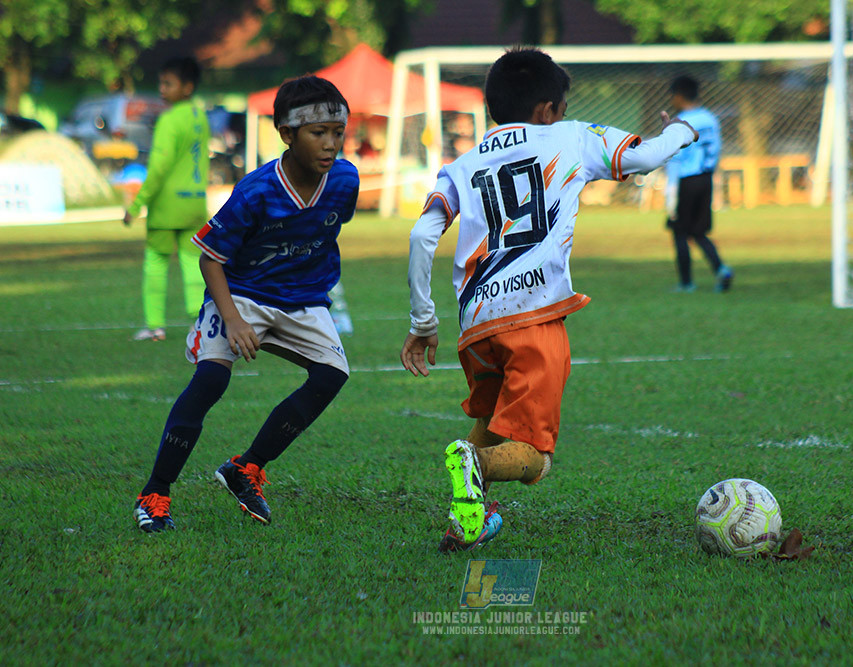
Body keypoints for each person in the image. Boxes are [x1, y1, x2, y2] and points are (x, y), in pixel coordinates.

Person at [399, 47, 697, 551]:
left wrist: (422, 320)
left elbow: (421, 237)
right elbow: (644, 157)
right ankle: (475, 467)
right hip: (533, 315)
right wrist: (683, 131)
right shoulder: (571, 136)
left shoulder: (461, 165)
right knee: (534, 455)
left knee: (490, 423)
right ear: (548, 111)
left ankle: (464, 521)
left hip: (476, 323)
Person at [132, 75, 359, 532]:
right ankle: (155, 493)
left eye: (338, 132)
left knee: (332, 375)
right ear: (286, 134)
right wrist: (233, 320)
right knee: (211, 380)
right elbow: (210, 258)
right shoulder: (256, 192)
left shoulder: (346, 180)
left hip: (302, 298)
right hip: (240, 294)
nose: (331, 144)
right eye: (319, 132)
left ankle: (246, 466)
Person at [124, 56, 211, 341]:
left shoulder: (169, 119)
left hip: (167, 205)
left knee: (156, 264)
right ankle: (199, 323)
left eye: (168, 83)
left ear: (187, 87)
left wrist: (136, 205)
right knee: (192, 264)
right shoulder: (200, 116)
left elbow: (159, 167)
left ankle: (154, 326)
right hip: (195, 202)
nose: (161, 88)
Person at [664, 75, 732, 293]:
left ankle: (686, 283)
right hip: (706, 178)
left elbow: (675, 159)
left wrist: (671, 194)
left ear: (679, 95)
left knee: (680, 231)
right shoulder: (710, 118)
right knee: (698, 231)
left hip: (686, 180)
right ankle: (721, 269)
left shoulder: (681, 122)